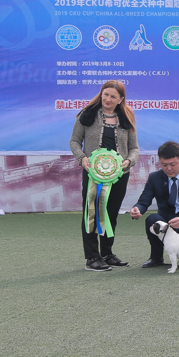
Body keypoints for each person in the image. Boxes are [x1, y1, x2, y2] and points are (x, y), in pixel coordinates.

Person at [69, 80, 139, 271]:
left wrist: (129, 161)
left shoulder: (127, 117)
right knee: (91, 213)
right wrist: (82, 158)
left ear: (120, 99)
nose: (108, 99)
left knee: (111, 214)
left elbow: (134, 148)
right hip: (93, 174)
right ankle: (92, 257)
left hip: (119, 175)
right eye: (105, 94)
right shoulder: (87, 115)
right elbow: (74, 141)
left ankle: (107, 253)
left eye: (113, 96)